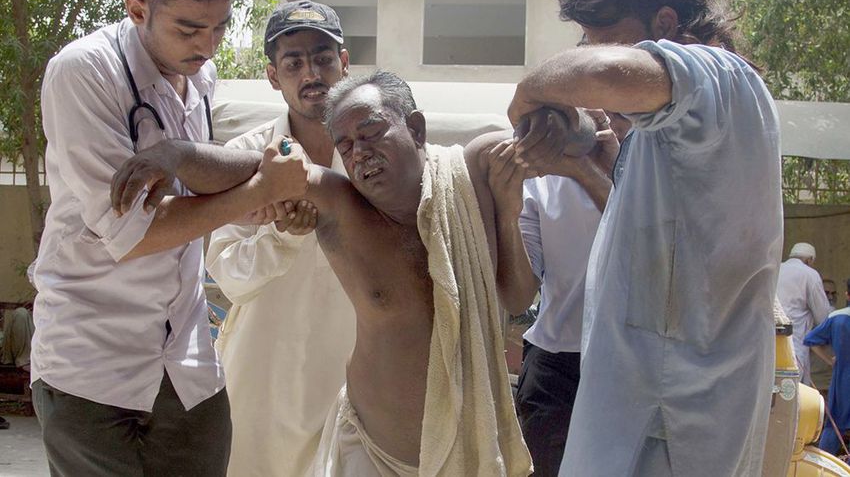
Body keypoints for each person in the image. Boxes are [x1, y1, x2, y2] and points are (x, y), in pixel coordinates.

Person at [112, 71, 601, 476]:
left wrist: (527, 181)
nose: (359, 152)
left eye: (371, 133)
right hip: (370, 454)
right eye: (345, 145)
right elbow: (249, 170)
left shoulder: (474, 173)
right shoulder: (342, 205)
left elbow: (516, 299)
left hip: (468, 451)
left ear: (416, 128)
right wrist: (173, 154)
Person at [29, 0, 308, 476]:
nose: (208, 47)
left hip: (187, 365)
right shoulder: (84, 72)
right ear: (137, 10)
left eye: (220, 28)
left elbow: (206, 183)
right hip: (93, 366)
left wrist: (189, 159)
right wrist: (260, 186)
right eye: (189, 29)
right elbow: (134, 234)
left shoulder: (198, 78)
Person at [508, 0, 784, 476]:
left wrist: (526, 98)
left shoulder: (721, 75)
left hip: (672, 419)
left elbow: (607, 76)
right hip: (648, 410)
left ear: (664, 22)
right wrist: (575, 144)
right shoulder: (662, 131)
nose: (590, 54)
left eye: (602, 40)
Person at [205, 0, 356, 476]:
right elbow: (228, 276)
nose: (310, 73)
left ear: (345, 64)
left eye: (323, 58)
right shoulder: (244, 158)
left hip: (352, 381)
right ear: (274, 75)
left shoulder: (372, 160)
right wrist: (281, 239)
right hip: (262, 385)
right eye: (293, 63)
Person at [513, 109, 617, 477]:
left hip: (626, 366)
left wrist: (589, 172)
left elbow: (642, 246)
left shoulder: (643, 165)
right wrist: (504, 190)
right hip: (555, 365)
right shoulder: (539, 183)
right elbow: (519, 292)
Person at [776, 242, 832, 385]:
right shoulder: (810, 274)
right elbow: (823, 317)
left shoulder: (776, 270)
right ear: (809, 260)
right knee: (792, 393)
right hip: (794, 345)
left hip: (769, 343)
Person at [804, 304, 850, 455]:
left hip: (843, 383)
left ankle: (824, 464)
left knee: (834, 425)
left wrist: (830, 360)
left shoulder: (837, 317)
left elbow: (810, 340)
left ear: (847, 294)